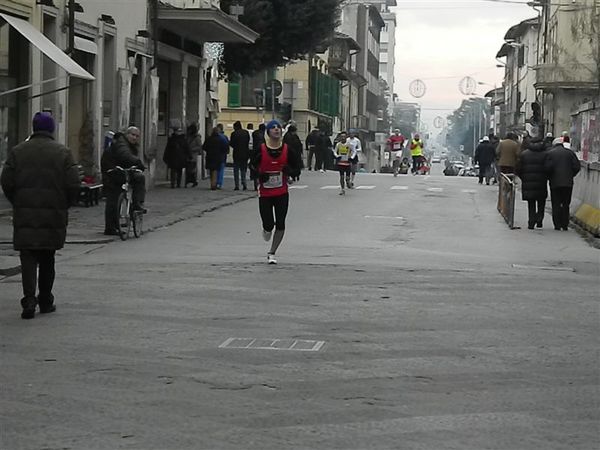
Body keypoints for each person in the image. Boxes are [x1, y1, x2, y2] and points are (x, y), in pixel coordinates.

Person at [1, 112, 80, 319]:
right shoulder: (63, 153)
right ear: (52, 129)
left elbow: (6, 181)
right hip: (53, 213)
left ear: (33, 128)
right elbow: (73, 184)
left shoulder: (18, 151)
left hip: (25, 213)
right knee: (47, 257)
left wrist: (17, 201)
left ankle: (28, 300)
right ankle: (45, 300)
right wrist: (64, 204)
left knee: (27, 257)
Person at [250, 119, 302, 264]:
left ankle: (272, 252)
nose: (276, 129)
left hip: (282, 192)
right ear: (268, 132)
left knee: (280, 223)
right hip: (265, 193)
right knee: (268, 224)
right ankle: (267, 230)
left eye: (278, 127)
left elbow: (297, 167)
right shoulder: (260, 149)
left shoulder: (287, 149)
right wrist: (260, 175)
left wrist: (289, 171)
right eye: (273, 128)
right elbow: (252, 167)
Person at [101, 126, 147, 235]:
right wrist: (138, 163)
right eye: (132, 135)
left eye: (137, 136)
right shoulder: (122, 143)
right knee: (113, 199)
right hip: (112, 171)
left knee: (138, 178)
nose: (134, 138)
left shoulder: (127, 144)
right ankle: (111, 227)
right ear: (127, 134)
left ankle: (136, 205)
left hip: (119, 171)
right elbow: (125, 156)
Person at [545, 137, 581, 231]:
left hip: (555, 183)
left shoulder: (550, 153)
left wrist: (550, 177)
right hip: (568, 183)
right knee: (565, 203)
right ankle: (565, 224)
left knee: (556, 203)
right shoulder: (570, 153)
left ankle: (557, 224)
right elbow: (577, 166)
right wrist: (571, 175)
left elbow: (547, 168)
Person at [515, 137, 549, 229]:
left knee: (531, 203)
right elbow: (548, 168)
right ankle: (539, 220)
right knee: (541, 202)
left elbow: (518, 169)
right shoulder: (546, 154)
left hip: (528, 182)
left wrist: (524, 177)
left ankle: (531, 222)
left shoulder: (524, 154)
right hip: (541, 182)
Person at [332, 131, 357, 195]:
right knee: (341, 176)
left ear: (346, 137)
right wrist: (337, 156)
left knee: (347, 178)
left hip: (347, 163)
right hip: (341, 163)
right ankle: (342, 189)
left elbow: (354, 151)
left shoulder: (349, 144)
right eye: (341, 137)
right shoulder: (338, 144)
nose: (343, 138)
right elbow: (335, 152)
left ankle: (348, 181)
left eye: (344, 136)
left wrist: (351, 157)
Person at [230, 121, 250, 190]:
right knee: (243, 169)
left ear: (235, 127)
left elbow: (232, 144)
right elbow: (248, 141)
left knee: (236, 170)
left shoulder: (234, 133)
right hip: (245, 153)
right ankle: (244, 183)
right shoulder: (246, 133)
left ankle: (237, 185)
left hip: (236, 154)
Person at [250, 123, 266, 190]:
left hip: (254, 152)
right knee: (261, 168)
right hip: (261, 153)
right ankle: (260, 184)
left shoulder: (255, 133)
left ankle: (255, 184)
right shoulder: (264, 135)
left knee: (254, 168)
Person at [185, 123, 202, 187]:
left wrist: (192, 149)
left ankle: (193, 180)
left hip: (193, 155)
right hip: (188, 154)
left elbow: (199, 146)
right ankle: (189, 180)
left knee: (192, 168)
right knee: (188, 168)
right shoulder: (187, 136)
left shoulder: (197, 137)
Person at [216, 123, 229, 189]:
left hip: (217, 156)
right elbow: (227, 147)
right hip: (222, 156)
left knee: (217, 170)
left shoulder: (216, 136)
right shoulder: (225, 137)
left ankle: (217, 183)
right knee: (221, 170)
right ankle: (219, 183)